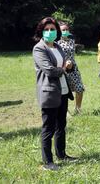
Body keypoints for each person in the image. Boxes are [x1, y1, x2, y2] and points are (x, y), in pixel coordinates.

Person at [32, 17, 78, 171]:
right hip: (49, 93)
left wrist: (69, 66)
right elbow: (50, 71)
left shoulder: (58, 46)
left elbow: (64, 66)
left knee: (61, 126)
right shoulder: (39, 48)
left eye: (52, 29)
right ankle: (48, 162)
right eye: (46, 30)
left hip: (63, 91)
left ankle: (62, 154)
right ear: (41, 31)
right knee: (48, 129)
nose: (50, 32)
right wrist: (65, 68)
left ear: (57, 32)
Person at [57, 21, 85, 114]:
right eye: (63, 30)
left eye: (66, 29)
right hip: (62, 69)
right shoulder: (56, 42)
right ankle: (66, 111)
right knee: (64, 91)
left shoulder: (72, 41)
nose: (65, 31)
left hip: (73, 68)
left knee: (79, 88)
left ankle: (78, 109)